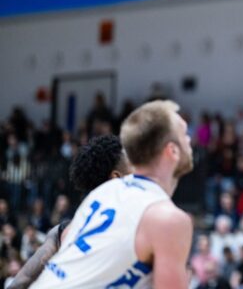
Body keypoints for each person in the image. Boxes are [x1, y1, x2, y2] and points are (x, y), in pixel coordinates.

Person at [31, 100, 194, 288]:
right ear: (172, 151)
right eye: (185, 134)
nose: (190, 140)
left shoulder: (104, 193)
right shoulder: (168, 219)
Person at [8, 134, 132, 289]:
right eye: (134, 165)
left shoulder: (63, 232)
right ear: (116, 178)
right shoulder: (137, 227)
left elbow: (21, 281)